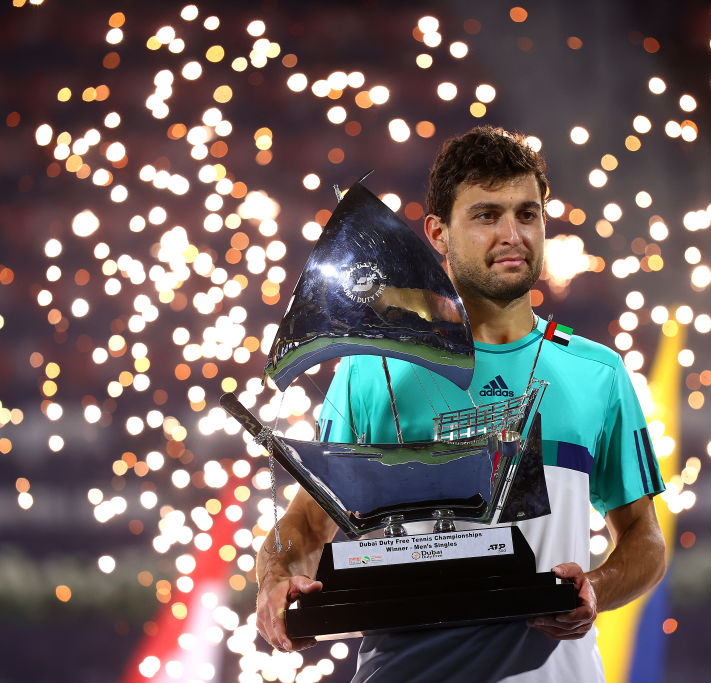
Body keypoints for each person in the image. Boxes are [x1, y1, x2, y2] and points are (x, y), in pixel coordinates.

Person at [256, 126, 667, 681]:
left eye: (528, 214)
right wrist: (275, 576)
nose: (512, 234)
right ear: (438, 233)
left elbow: (645, 540)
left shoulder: (597, 373)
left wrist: (594, 587)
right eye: (486, 215)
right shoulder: (369, 371)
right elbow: (304, 525)